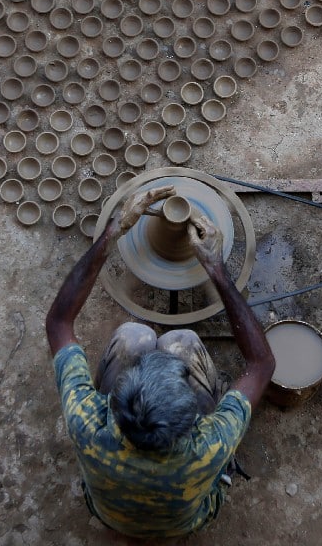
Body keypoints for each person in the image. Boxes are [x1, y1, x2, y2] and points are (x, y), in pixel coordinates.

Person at [46, 185, 276, 539]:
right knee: (183, 342)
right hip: (186, 521)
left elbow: (59, 322)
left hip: (108, 513)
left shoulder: (87, 424)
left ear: (117, 405)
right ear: (193, 422)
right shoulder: (210, 445)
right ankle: (221, 474)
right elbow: (260, 363)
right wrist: (216, 269)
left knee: (132, 337)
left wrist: (115, 230)